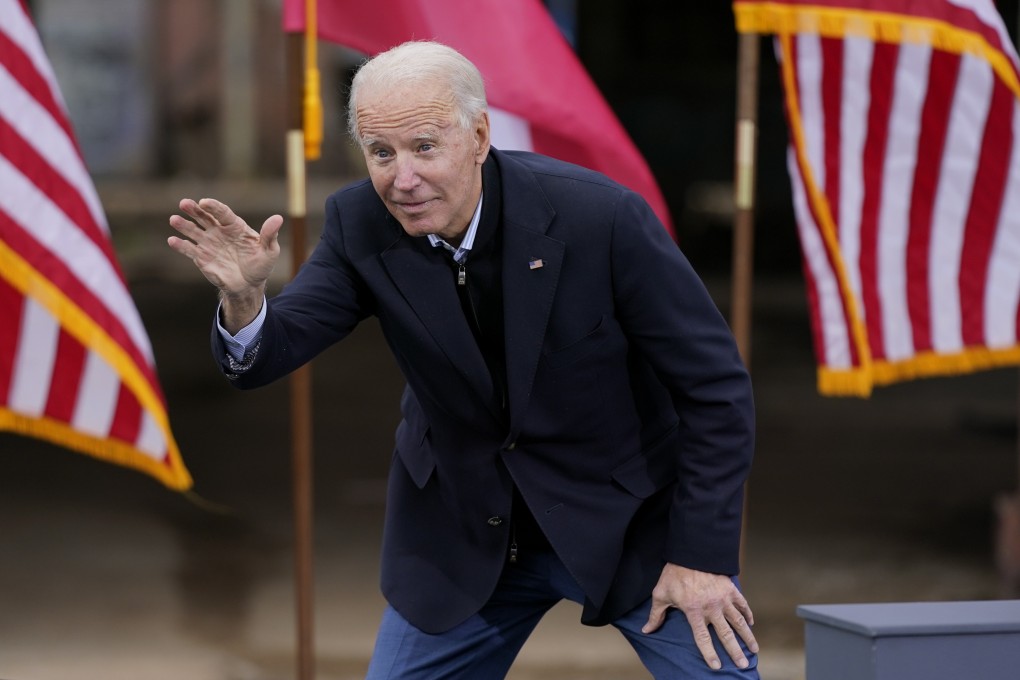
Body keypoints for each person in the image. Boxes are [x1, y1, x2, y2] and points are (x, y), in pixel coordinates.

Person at [168, 40, 759, 679]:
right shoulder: (358, 222)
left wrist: (700, 556)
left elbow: (716, 391)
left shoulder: (600, 217)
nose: (403, 178)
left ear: (478, 136)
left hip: (624, 522)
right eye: (381, 153)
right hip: (464, 532)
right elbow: (267, 354)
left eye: (425, 146)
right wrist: (245, 297)